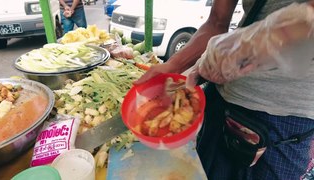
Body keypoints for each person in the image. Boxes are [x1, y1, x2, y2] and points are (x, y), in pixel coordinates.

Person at [134, 0, 314, 179]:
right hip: (221, 100)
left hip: (282, 120)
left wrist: (252, 43)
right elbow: (216, 22)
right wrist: (173, 65)